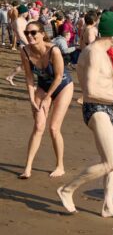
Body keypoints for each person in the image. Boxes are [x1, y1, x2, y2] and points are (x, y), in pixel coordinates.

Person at [57, 11, 113, 219]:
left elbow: (106, 84)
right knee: (109, 162)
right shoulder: (93, 52)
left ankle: (108, 206)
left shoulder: (104, 53)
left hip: (106, 107)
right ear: (111, 34)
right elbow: (90, 91)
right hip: (95, 109)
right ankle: (67, 189)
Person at [18, 21, 74, 179]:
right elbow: (29, 78)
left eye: (33, 32)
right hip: (43, 86)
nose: (30, 36)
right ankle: (27, 167)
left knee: (54, 128)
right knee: (38, 126)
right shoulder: (25, 51)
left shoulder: (53, 50)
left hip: (62, 86)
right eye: (27, 33)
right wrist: (31, 99)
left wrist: (46, 98)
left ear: (42, 33)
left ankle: (60, 166)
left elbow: (57, 77)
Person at [5, 4, 29, 85]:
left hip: (26, 44)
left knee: (25, 64)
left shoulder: (24, 20)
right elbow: (20, 34)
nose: (28, 13)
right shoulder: (18, 21)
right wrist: (29, 44)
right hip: (24, 45)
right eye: (27, 12)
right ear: (23, 12)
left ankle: (10, 77)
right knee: (27, 64)